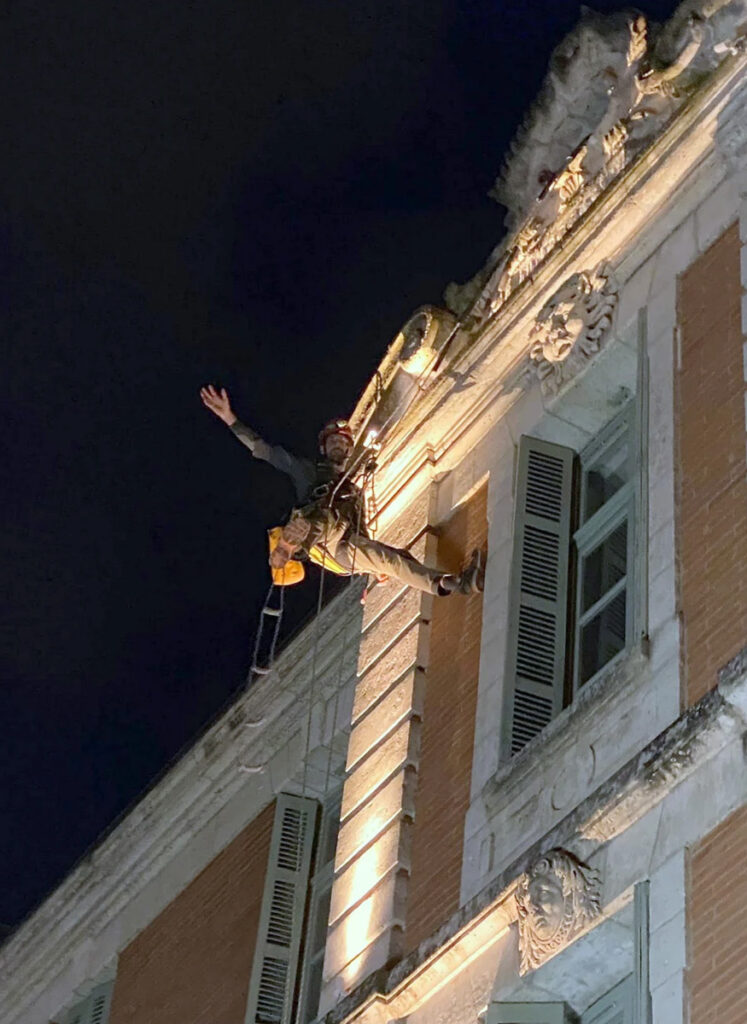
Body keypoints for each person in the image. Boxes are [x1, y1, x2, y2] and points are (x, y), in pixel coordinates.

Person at [200, 385, 484, 596]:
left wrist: (373, 568)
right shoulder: (309, 472)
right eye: (333, 441)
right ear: (323, 448)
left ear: (349, 450)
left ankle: (453, 582)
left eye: (343, 442)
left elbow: (362, 533)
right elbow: (265, 451)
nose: (339, 445)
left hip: (345, 545)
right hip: (322, 540)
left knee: (395, 559)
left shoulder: (354, 491)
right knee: (319, 518)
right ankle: (287, 545)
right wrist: (230, 420)